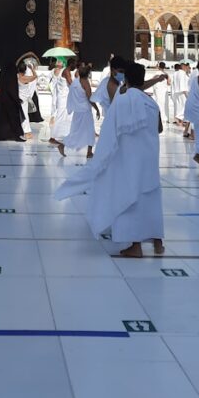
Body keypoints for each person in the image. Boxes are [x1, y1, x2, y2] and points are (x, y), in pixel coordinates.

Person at [56, 60, 164, 258]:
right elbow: (159, 129)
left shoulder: (122, 102)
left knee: (130, 198)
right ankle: (158, 242)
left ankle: (136, 245)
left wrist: (101, 161)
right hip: (149, 161)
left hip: (129, 161)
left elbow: (109, 134)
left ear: (127, 79)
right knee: (151, 198)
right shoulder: (152, 104)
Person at [59, 62, 95, 158]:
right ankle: (89, 152)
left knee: (75, 132)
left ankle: (63, 145)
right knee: (90, 130)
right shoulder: (85, 83)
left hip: (77, 111)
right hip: (85, 111)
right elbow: (89, 98)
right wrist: (96, 108)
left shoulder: (75, 82)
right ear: (87, 74)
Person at [0, 59, 28, 142]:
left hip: (3, 99)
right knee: (14, 118)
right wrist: (17, 99)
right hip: (11, 101)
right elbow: (12, 89)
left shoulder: (3, 75)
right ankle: (17, 135)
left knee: (2, 118)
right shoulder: (11, 75)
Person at [48, 61, 73, 145]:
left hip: (62, 96)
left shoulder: (61, 71)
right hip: (62, 97)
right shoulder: (65, 71)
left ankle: (65, 134)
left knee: (67, 116)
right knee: (60, 116)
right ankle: (52, 137)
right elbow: (71, 84)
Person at [17, 57, 39, 139]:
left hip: (19, 98)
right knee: (24, 114)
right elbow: (35, 76)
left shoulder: (17, 77)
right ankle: (26, 131)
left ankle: (25, 131)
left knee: (22, 114)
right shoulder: (25, 78)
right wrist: (32, 69)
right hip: (23, 99)